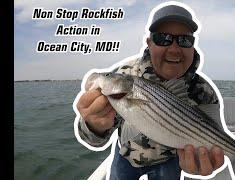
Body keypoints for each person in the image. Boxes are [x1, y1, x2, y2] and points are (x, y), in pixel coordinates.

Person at [76, 3, 224, 180]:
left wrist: (204, 160)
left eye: (184, 40)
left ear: (193, 46)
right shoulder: (125, 75)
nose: (175, 49)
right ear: (149, 43)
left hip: (170, 161)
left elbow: (211, 137)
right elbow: (95, 140)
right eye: (163, 38)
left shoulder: (204, 92)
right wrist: (93, 126)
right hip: (126, 157)